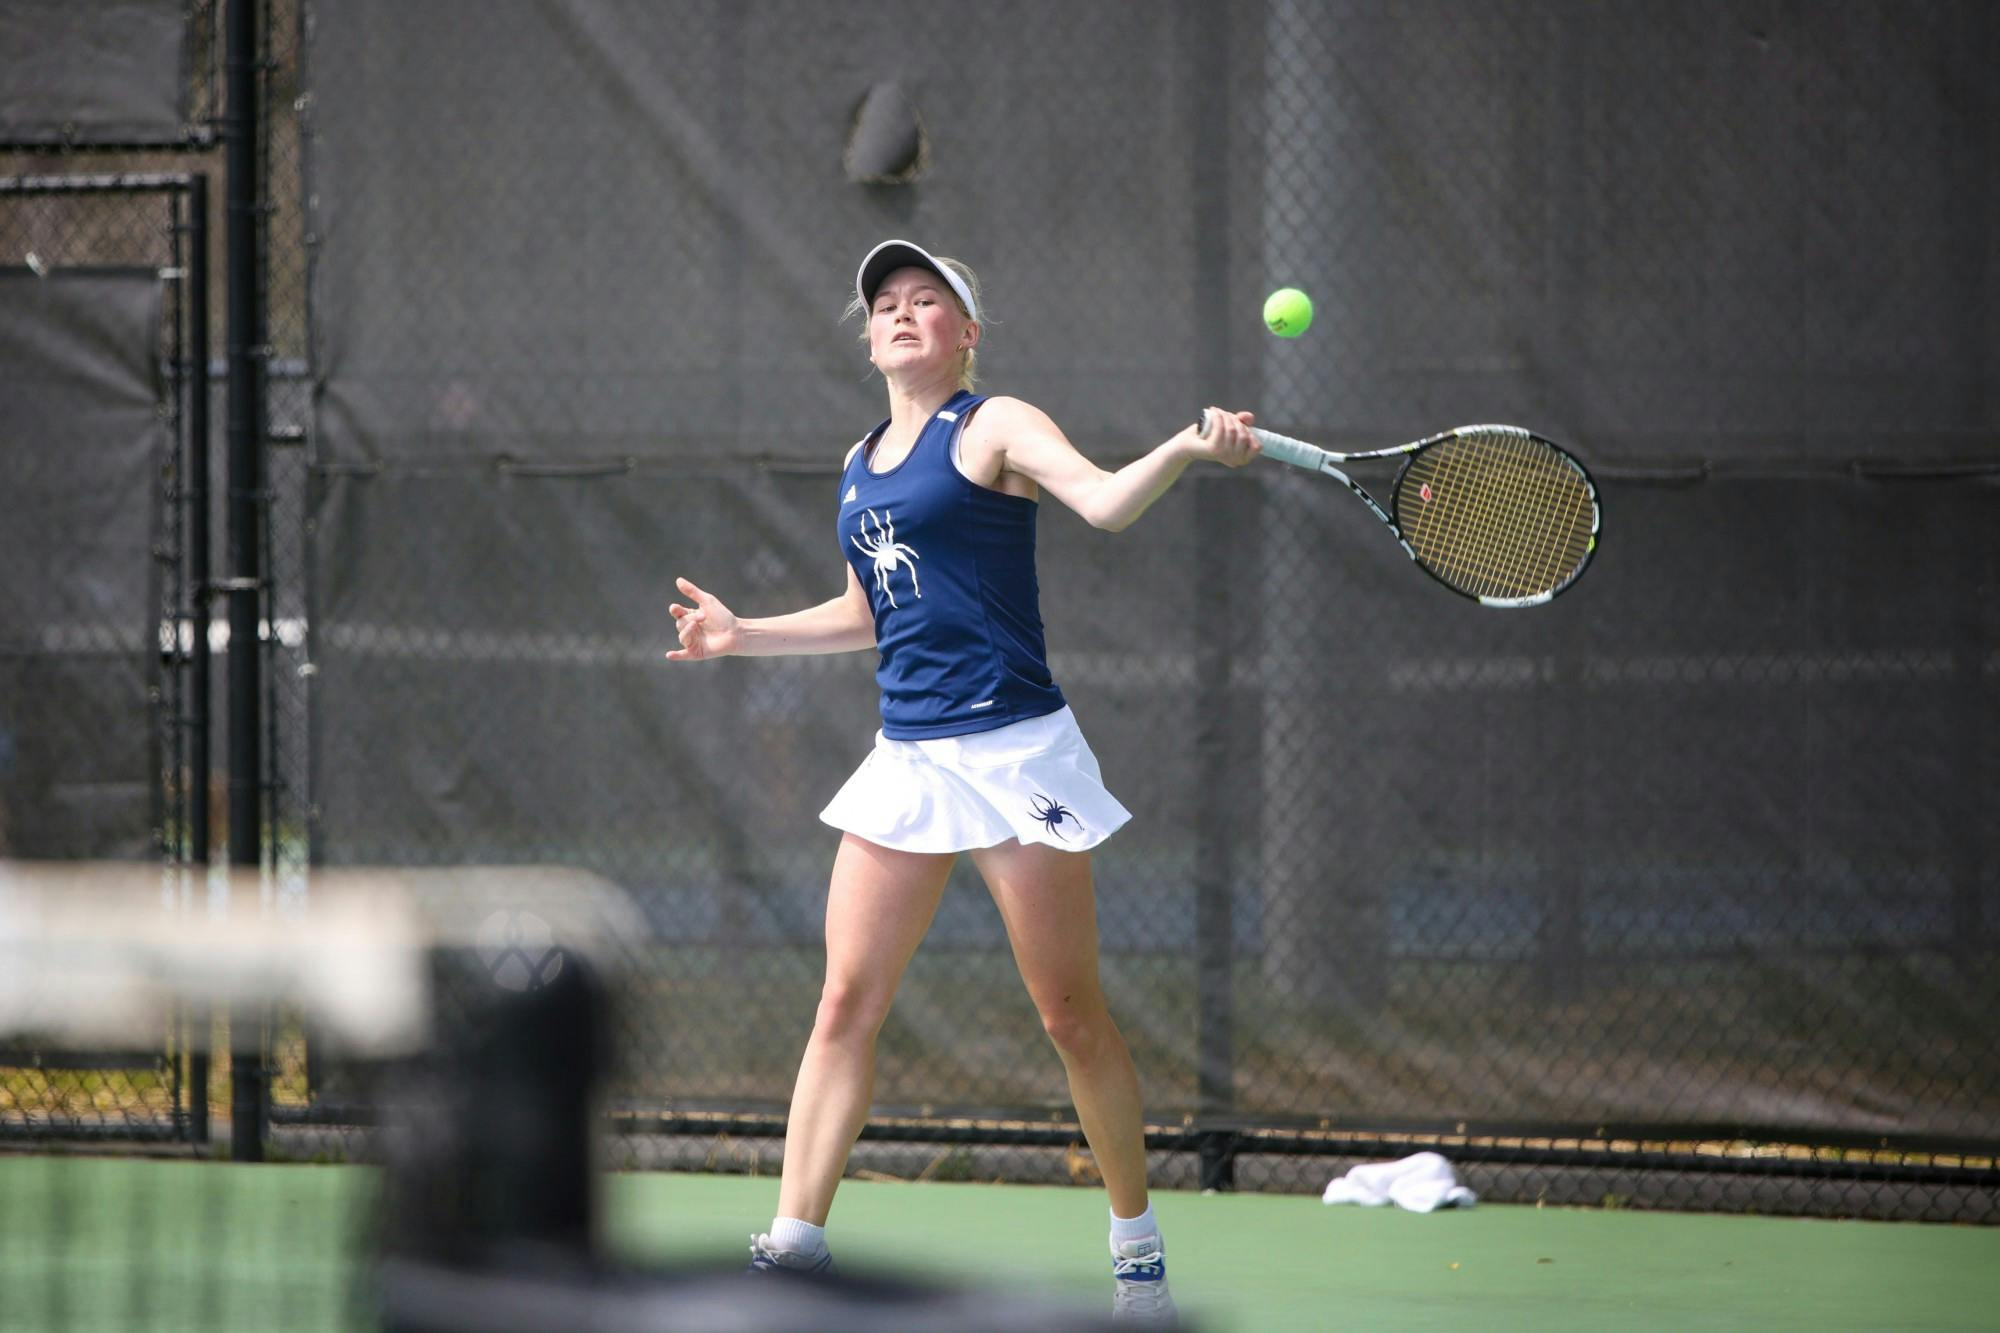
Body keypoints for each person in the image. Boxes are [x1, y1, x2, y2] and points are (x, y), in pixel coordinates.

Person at [666, 239, 1258, 1324]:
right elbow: (864, 612)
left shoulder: (992, 424)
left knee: (1069, 1016)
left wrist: (1182, 447)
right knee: (844, 999)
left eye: (924, 301)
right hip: (908, 754)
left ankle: (1136, 1255)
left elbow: (1103, 503)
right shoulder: (858, 463)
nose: (899, 313)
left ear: (964, 332)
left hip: (1014, 749)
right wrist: (739, 633)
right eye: (883, 303)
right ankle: (793, 1247)